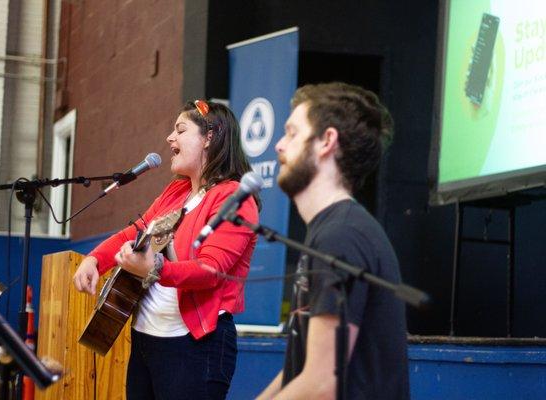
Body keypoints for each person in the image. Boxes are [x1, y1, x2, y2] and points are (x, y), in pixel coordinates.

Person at [73, 100, 259, 400]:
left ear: (210, 137)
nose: (169, 138)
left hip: (195, 346)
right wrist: (95, 259)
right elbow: (135, 231)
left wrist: (154, 269)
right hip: (146, 338)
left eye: (180, 130)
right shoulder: (177, 190)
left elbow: (210, 271)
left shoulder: (234, 198)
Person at [257, 82, 409, 399]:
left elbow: (322, 384)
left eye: (292, 133)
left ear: (327, 141)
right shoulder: (332, 231)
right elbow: (304, 370)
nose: (279, 146)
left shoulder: (341, 236)